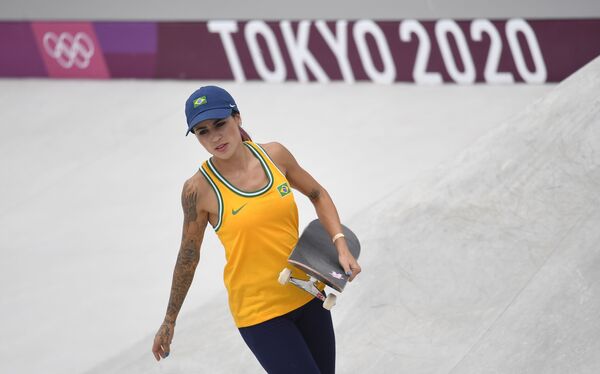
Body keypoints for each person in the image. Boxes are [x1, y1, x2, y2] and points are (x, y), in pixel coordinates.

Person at [151, 85, 361, 373]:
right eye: (203, 132)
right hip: (259, 314)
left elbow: (317, 194)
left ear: (237, 118)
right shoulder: (198, 190)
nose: (215, 137)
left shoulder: (275, 156)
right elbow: (189, 256)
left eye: (220, 124)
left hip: (308, 294)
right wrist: (169, 320)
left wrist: (340, 243)